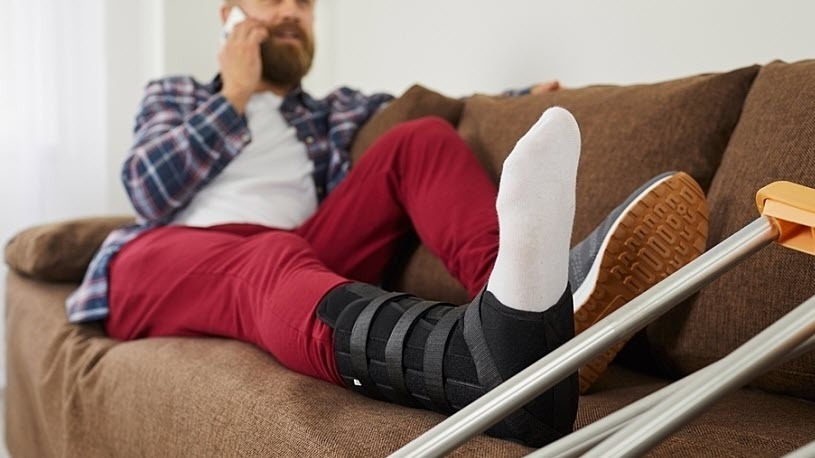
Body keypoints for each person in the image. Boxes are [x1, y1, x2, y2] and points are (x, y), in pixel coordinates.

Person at [66, 0, 708, 447]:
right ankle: (475, 358)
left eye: (304, 4)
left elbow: (446, 110)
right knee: (263, 261)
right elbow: (147, 190)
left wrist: (518, 99)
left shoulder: (330, 113)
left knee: (419, 139)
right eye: (271, 1)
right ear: (228, 16)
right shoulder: (177, 95)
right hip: (163, 262)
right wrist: (234, 94)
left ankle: (522, 307)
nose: (291, 12)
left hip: (295, 250)